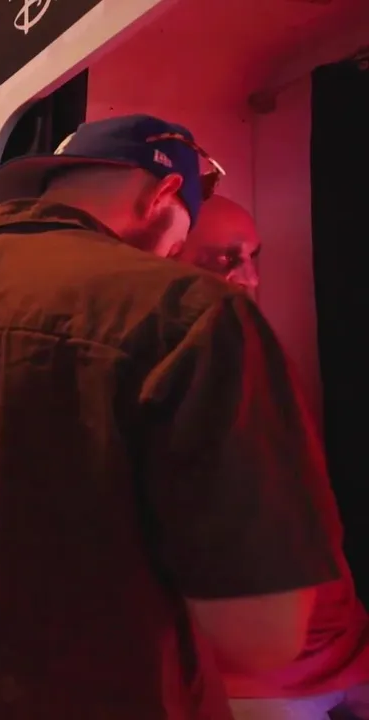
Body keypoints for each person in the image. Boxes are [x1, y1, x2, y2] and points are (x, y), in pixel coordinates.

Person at [0, 114, 339, 719]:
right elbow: (262, 632)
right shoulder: (188, 312)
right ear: (163, 195)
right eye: (185, 234)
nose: (177, 252)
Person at [176, 197, 369, 720]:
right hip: (262, 673)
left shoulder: (253, 350)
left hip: (324, 647)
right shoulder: (196, 367)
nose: (251, 278)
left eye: (253, 257)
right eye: (225, 259)